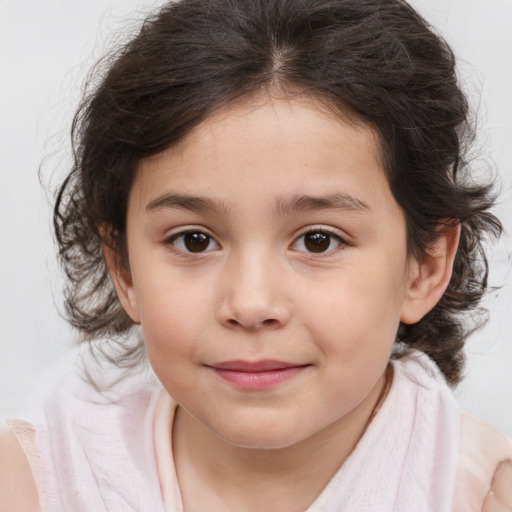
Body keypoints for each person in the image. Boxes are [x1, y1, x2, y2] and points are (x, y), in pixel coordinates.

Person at [1, 0, 511, 510]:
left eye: (318, 240)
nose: (249, 303)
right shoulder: (37, 483)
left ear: (423, 267)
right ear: (124, 269)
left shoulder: (481, 492)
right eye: (194, 240)